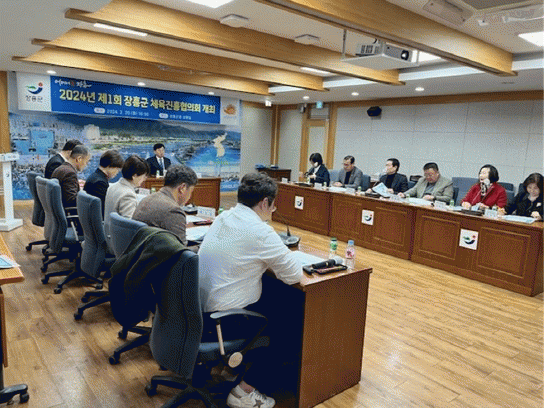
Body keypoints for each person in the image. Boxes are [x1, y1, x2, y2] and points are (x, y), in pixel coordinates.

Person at [199, 172, 302, 408]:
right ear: (265, 203)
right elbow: (294, 274)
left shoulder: (224, 217)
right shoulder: (260, 231)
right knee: (291, 323)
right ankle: (244, 391)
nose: (273, 210)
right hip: (223, 320)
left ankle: (232, 368)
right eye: (273, 205)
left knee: (276, 297)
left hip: (202, 311)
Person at [132, 164, 197, 245]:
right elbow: (181, 251)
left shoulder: (148, 198)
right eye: (191, 191)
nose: (190, 197)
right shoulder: (173, 210)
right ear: (182, 188)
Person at [104, 155, 150, 251]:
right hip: (119, 245)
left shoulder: (113, 186)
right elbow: (129, 228)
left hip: (109, 237)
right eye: (143, 176)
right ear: (135, 176)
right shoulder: (128, 195)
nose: (144, 179)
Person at [83, 150, 124, 215]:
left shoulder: (95, 176)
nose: (117, 173)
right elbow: (106, 208)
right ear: (110, 166)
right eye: (117, 169)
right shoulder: (100, 183)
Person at [51, 145, 91, 209]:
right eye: (86, 162)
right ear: (79, 159)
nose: (86, 165)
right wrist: (85, 194)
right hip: (70, 212)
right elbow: (72, 201)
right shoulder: (70, 173)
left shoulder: (61, 168)